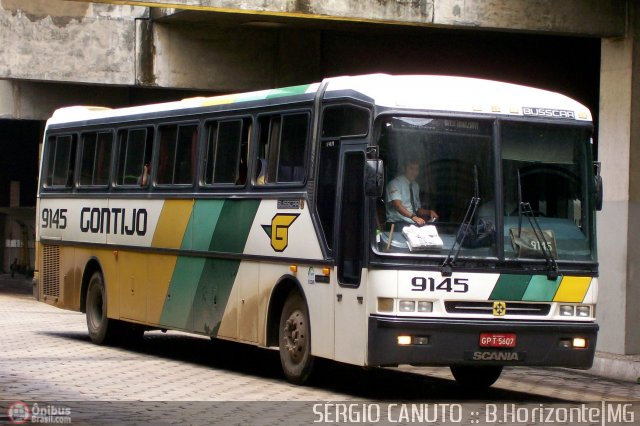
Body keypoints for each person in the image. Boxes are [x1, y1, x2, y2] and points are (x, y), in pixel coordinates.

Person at [385, 160, 438, 228]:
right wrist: (414, 217)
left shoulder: (415, 186)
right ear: (404, 169)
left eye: (416, 169)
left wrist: (429, 212)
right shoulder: (395, 184)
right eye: (411, 169)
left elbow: (417, 210)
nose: (414, 172)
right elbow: (397, 206)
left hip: (411, 223)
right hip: (397, 224)